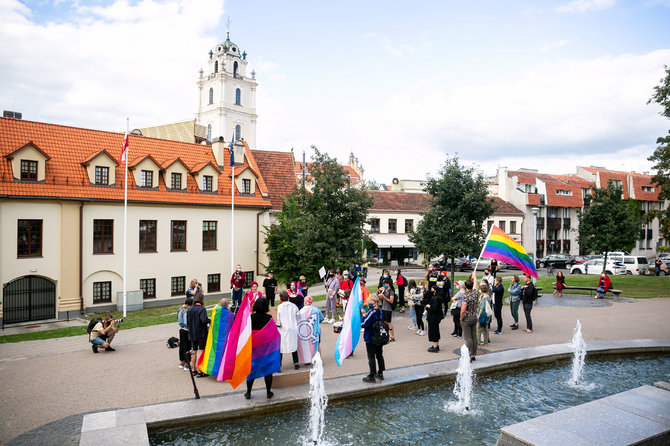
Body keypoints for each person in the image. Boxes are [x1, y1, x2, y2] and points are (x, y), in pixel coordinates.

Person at [245, 297, 280, 400]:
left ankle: (248, 393)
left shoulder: (250, 318)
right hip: (266, 349)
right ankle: (268, 392)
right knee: (268, 370)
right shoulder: (269, 318)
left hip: (253, 349)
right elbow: (275, 334)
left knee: (251, 369)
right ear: (265, 306)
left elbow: (246, 334)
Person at [361, 295, 385, 383]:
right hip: (379, 336)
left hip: (371, 336)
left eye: (369, 302)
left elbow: (364, 323)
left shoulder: (371, 312)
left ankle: (372, 375)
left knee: (371, 356)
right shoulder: (380, 311)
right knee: (379, 355)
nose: (368, 303)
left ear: (374, 302)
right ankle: (380, 373)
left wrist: (363, 315)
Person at [276, 290, 300, 370]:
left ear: (281, 298)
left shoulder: (279, 307)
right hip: (293, 328)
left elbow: (278, 320)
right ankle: (296, 363)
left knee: (281, 347)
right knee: (293, 345)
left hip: (283, 329)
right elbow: (298, 316)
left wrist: (278, 324)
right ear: (288, 297)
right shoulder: (293, 306)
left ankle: (279, 366)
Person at [187, 292, 210, 376]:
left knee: (194, 351)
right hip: (201, 332)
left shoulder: (190, 309)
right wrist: (209, 320)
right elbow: (203, 320)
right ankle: (200, 371)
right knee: (201, 350)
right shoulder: (202, 309)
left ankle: (193, 369)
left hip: (192, 332)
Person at [297, 295, 324, 364]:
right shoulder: (316, 310)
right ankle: (319, 359)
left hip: (305, 333)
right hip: (316, 332)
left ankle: (307, 361)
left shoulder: (301, 311)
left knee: (306, 346)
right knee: (317, 345)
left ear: (304, 302)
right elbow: (321, 318)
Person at [460, 279, 479, 362]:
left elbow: (463, 310)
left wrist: (461, 318)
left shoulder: (466, 296)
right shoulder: (475, 293)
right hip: (474, 316)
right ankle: (473, 355)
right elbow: (476, 285)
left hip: (467, 318)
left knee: (468, 337)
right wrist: (474, 277)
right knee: (474, 336)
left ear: (465, 286)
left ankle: (468, 355)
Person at [424, 284, 443, 352]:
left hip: (433, 318)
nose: (430, 291)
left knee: (433, 332)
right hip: (435, 318)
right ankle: (436, 345)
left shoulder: (435, 299)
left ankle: (435, 346)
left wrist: (429, 307)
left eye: (432, 290)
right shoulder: (437, 297)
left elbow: (434, 309)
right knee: (435, 331)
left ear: (435, 291)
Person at [177, 299, 192, 369]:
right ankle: (187, 364)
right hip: (186, 330)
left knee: (182, 346)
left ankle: (181, 362)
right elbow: (186, 322)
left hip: (181, 329)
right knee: (187, 347)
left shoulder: (180, 309)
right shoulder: (186, 311)